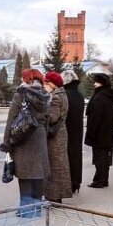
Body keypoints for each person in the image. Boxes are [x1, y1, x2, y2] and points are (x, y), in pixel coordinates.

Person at [1, 68, 51, 216]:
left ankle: (26, 211)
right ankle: (36, 209)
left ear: (27, 79)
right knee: (37, 174)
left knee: (24, 174)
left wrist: (7, 142)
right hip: (39, 136)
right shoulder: (46, 95)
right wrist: (44, 136)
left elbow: (12, 118)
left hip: (23, 136)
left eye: (23, 78)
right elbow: (48, 119)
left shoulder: (21, 94)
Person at [42, 72, 72, 202]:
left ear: (52, 84)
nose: (44, 86)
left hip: (55, 136)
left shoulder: (55, 97)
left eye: (46, 83)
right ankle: (57, 195)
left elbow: (53, 118)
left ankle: (54, 196)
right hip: (60, 133)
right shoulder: (62, 94)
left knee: (54, 166)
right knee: (59, 165)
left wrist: (42, 112)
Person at [84, 73, 113, 188]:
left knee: (99, 157)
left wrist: (91, 132)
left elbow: (95, 117)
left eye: (96, 82)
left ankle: (99, 180)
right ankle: (103, 179)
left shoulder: (99, 97)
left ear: (101, 83)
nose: (94, 84)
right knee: (104, 157)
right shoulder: (109, 95)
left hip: (99, 132)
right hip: (107, 131)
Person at [62, 70, 85, 194]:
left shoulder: (64, 94)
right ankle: (76, 182)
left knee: (67, 157)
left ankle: (69, 182)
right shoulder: (79, 95)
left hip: (66, 129)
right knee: (76, 156)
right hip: (77, 129)